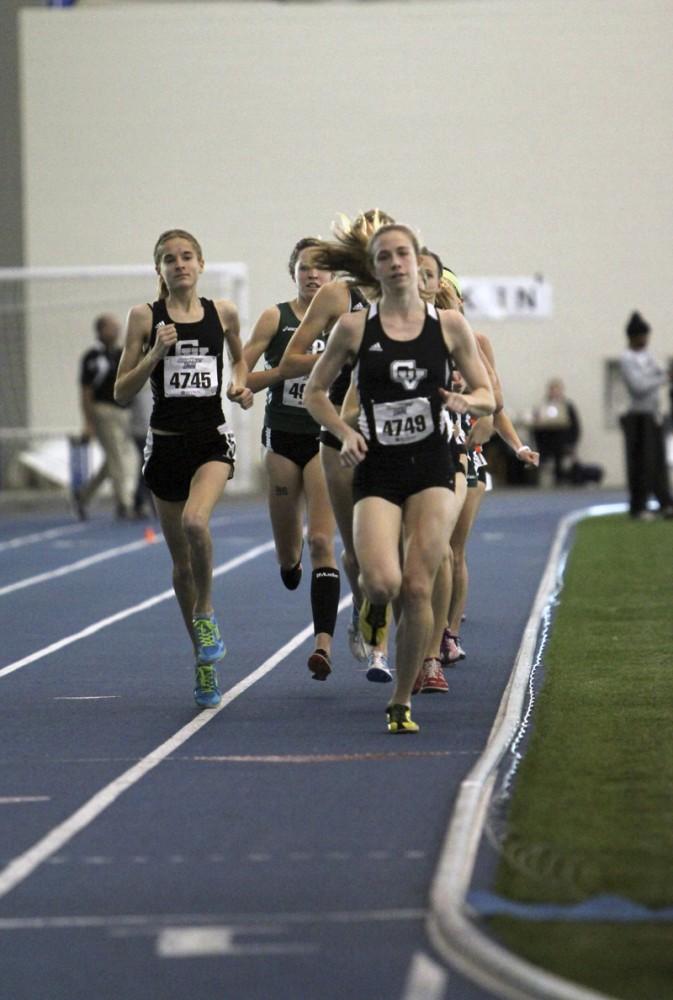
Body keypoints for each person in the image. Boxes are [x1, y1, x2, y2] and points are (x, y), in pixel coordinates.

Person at [304, 223, 494, 733]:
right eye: (384, 256)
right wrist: (344, 431)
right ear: (374, 267)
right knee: (381, 581)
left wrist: (465, 401)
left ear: (417, 261)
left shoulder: (449, 325)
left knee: (416, 585)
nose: (395, 262)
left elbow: (487, 394)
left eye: (403, 254)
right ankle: (370, 609)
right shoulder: (354, 328)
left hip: (432, 465)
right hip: (379, 466)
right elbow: (314, 393)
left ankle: (401, 699)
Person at [114, 228, 253, 708]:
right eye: (169, 259)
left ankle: (208, 612)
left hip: (211, 442)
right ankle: (203, 662)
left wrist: (242, 386)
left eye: (187, 256)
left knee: (197, 522)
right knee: (180, 566)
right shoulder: (144, 317)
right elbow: (121, 391)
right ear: (160, 270)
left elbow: (241, 363)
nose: (179, 264)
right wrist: (154, 353)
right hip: (166, 448)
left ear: (200, 263)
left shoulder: (223, 313)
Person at [278, 210, 395, 683]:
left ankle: (392, 651)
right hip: (340, 429)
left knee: (398, 553)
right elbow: (291, 361)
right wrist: (340, 351)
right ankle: (363, 612)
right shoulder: (335, 297)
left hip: (396, 431)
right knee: (353, 553)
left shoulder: (411, 294)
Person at [243, 238, 341, 681]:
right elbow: (244, 370)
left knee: (322, 541)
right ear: (294, 273)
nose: (312, 275)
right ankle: (290, 561)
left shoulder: (348, 320)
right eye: (304, 268)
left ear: (334, 277)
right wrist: (244, 385)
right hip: (282, 439)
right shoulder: (275, 317)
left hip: (324, 440)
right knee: (289, 553)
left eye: (321, 269)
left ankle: (323, 645)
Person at [74, 313, 138, 520]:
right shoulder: (92, 358)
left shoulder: (121, 354)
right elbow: (86, 391)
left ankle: (83, 495)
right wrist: (88, 421)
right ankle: (125, 503)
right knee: (118, 457)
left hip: (123, 412)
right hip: (103, 410)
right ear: (100, 331)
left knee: (113, 460)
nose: (117, 331)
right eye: (112, 327)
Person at [619, 311, 673, 520]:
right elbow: (638, 387)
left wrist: (662, 375)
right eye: (642, 336)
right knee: (640, 463)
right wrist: (663, 378)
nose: (646, 340)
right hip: (637, 417)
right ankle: (638, 505)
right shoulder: (627, 359)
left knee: (658, 462)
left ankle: (664, 502)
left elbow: (659, 373)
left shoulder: (648, 356)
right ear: (633, 337)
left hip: (653, 414)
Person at [531, 377, 580, 485]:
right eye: (553, 389)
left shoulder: (568, 406)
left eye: (557, 389)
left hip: (562, 440)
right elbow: (536, 426)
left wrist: (572, 443)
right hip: (546, 440)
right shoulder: (543, 406)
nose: (555, 392)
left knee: (559, 448)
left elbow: (575, 427)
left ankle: (560, 478)